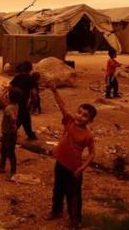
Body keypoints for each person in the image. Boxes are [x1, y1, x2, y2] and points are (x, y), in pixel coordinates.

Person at [46, 82, 97, 229]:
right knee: (57, 189)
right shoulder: (69, 122)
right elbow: (62, 106)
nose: (80, 117)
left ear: (90, 120)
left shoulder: (88, 135)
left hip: (74, 170)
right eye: (79, 112)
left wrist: (82, 167)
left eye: (85, 116)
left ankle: (75, 220)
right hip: (60, 163)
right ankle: (56, 211)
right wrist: (54, 91)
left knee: (73, 196)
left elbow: (92, 154)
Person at [0, 88, 23, 176]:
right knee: (4, 150)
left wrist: (12, 124)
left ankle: (12, 171)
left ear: (9, 97)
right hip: (9, 133)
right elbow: (3, 104)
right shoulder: (15, 105)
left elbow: (13, 117)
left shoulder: (9, 108)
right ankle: (2, 167)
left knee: (9, 152)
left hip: (9, 133)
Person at [10, 61, 38, 140]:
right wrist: (33, 102)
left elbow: (9, 87)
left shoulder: (17, 77)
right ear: (30, 69)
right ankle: (10, 134)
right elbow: (34, 93)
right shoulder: (30, 79)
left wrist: (1, 97)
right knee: (21, 119)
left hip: (15, 101)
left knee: (25, 118)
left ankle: (30, 134)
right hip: (24, 102)